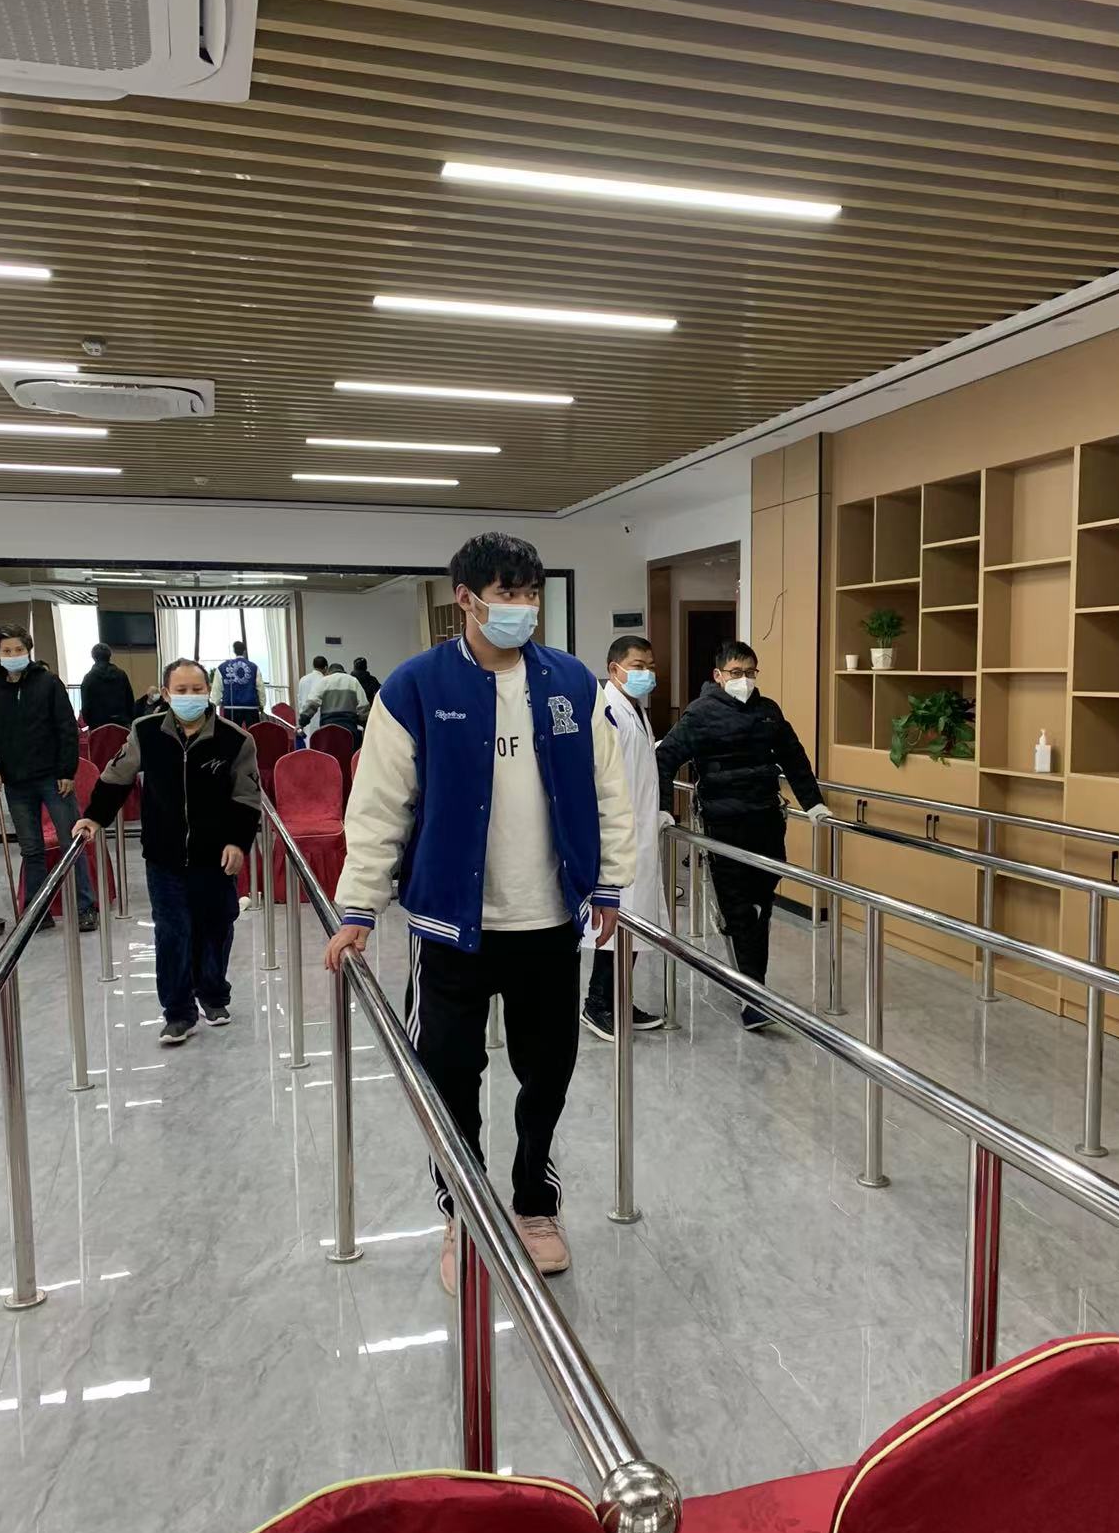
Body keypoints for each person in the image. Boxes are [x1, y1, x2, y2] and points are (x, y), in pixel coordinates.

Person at [323, 531, 635, 1294]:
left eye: (529, 594)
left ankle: (534, 1203)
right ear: (465, 598)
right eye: (505, 594)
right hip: (450, 925)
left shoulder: (570, 683)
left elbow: (608, 788)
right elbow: (379, 804)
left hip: (548, 920)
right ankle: (462, 1209)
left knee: (548, 1072)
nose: (521, 608)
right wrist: (358, 905)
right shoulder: (415, 686)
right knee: (449, 1075)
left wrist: (610, 883)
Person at [73, 659, 260, 1046]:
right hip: (164, 854)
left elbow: (246, 797)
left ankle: (212, 995)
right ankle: (178, 1012)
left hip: (215, 856)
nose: (190, 696)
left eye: (197, 689)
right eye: (181, 690)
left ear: (208, 691)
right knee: (173, 931)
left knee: (216, 926)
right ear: (165, 692)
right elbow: (117, 777)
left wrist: (237, 842)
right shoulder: (145, 731)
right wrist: (94, 817)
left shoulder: (235, 739)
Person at [656, 639, 829, 1031]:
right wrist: (666, 808)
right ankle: (753, 997)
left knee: (761, 904)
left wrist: (814, 804)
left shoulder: (768, 711)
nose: (744, 679)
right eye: (736, 673)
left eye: (750, 672)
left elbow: (794, 757)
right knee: (739, 908)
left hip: (766, 819)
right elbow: (665, 757)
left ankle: (751, 984)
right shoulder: (700, 714)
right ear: (718, 676)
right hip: (724, 823)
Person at [0, 623, 98, 933]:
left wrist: (66, 771)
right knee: (31, 849)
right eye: (7, 650)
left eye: (18, 649)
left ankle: (85, 907)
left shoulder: (48, 683)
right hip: (16, 783)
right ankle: (37, 912)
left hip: (53, 779)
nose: (13, 654)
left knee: (71, 843)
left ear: (28, 650)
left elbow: (66, 729)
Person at [581, 636, 668, 1042]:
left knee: (634, 923)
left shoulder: (635, 710)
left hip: (640, 833)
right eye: (637, 666)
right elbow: (603, 778)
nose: (646, 673)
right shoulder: (608, 710)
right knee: (617, 922)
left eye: (650, 665)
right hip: (619, 836)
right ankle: (598, 1003)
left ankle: (619, 998)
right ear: (614, 668)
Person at [298, 662, 365, 738]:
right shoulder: (353, 681)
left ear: (328, 672)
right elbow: (364, 705)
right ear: (343, 672)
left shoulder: (324, 681)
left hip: (328, 727)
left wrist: (302, 723)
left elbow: (312, 704)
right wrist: (363, 722)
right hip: (349, 727)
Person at [210, 639, 265, 726]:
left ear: (234, 651)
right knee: (253, 732)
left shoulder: (222, 667)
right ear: (244, 651)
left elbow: (217, 688)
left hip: (231, 707)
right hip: (251, 707)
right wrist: (262, 704)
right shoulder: (254, 667)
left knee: (232, 733)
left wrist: (214, 704)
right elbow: (260, 687)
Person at [80, 642, 134, 730]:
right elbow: (130, 700)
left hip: (98, 727)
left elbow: (86, 707)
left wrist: (90, 722)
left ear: (93, 657)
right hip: (121, 725)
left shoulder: (88, 679)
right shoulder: (121, 675)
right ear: (109, 656)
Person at [296, 653, 328, 720]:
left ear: (313, 666)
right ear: (326, 667)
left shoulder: (303, 679)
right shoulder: (325, 680)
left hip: (305, 717)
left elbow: (299, 699)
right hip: (319, 718)